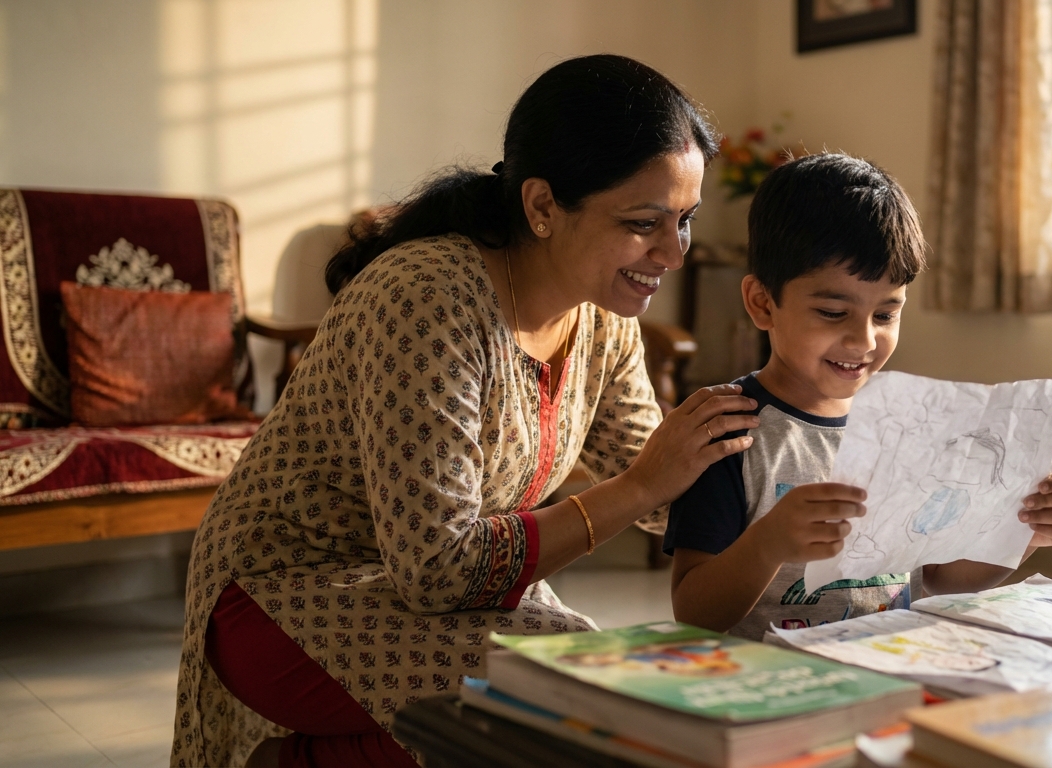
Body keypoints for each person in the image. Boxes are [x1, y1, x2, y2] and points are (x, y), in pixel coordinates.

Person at [172, 54, 762, 768]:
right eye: (643, 223)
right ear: (542, 207)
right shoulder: (426, 299)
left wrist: (788, 485)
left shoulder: (603, 320)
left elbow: (670, 484)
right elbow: (441, 568)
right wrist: (638, 488)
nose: (672, 252)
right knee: (565, 703)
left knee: (602, 687)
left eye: (685, 221)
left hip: (425, 594)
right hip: (287, 590)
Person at [665, 153, 1052, 640]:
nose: (863, 341)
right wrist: (767, 543)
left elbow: (941, 580)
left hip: (887, 673)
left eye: (885, 315)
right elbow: (694, 614)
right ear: (763, 303)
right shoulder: (726, 430)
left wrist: (1024, 533)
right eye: (831, 312)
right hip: (772, 690)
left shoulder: (907, 426)